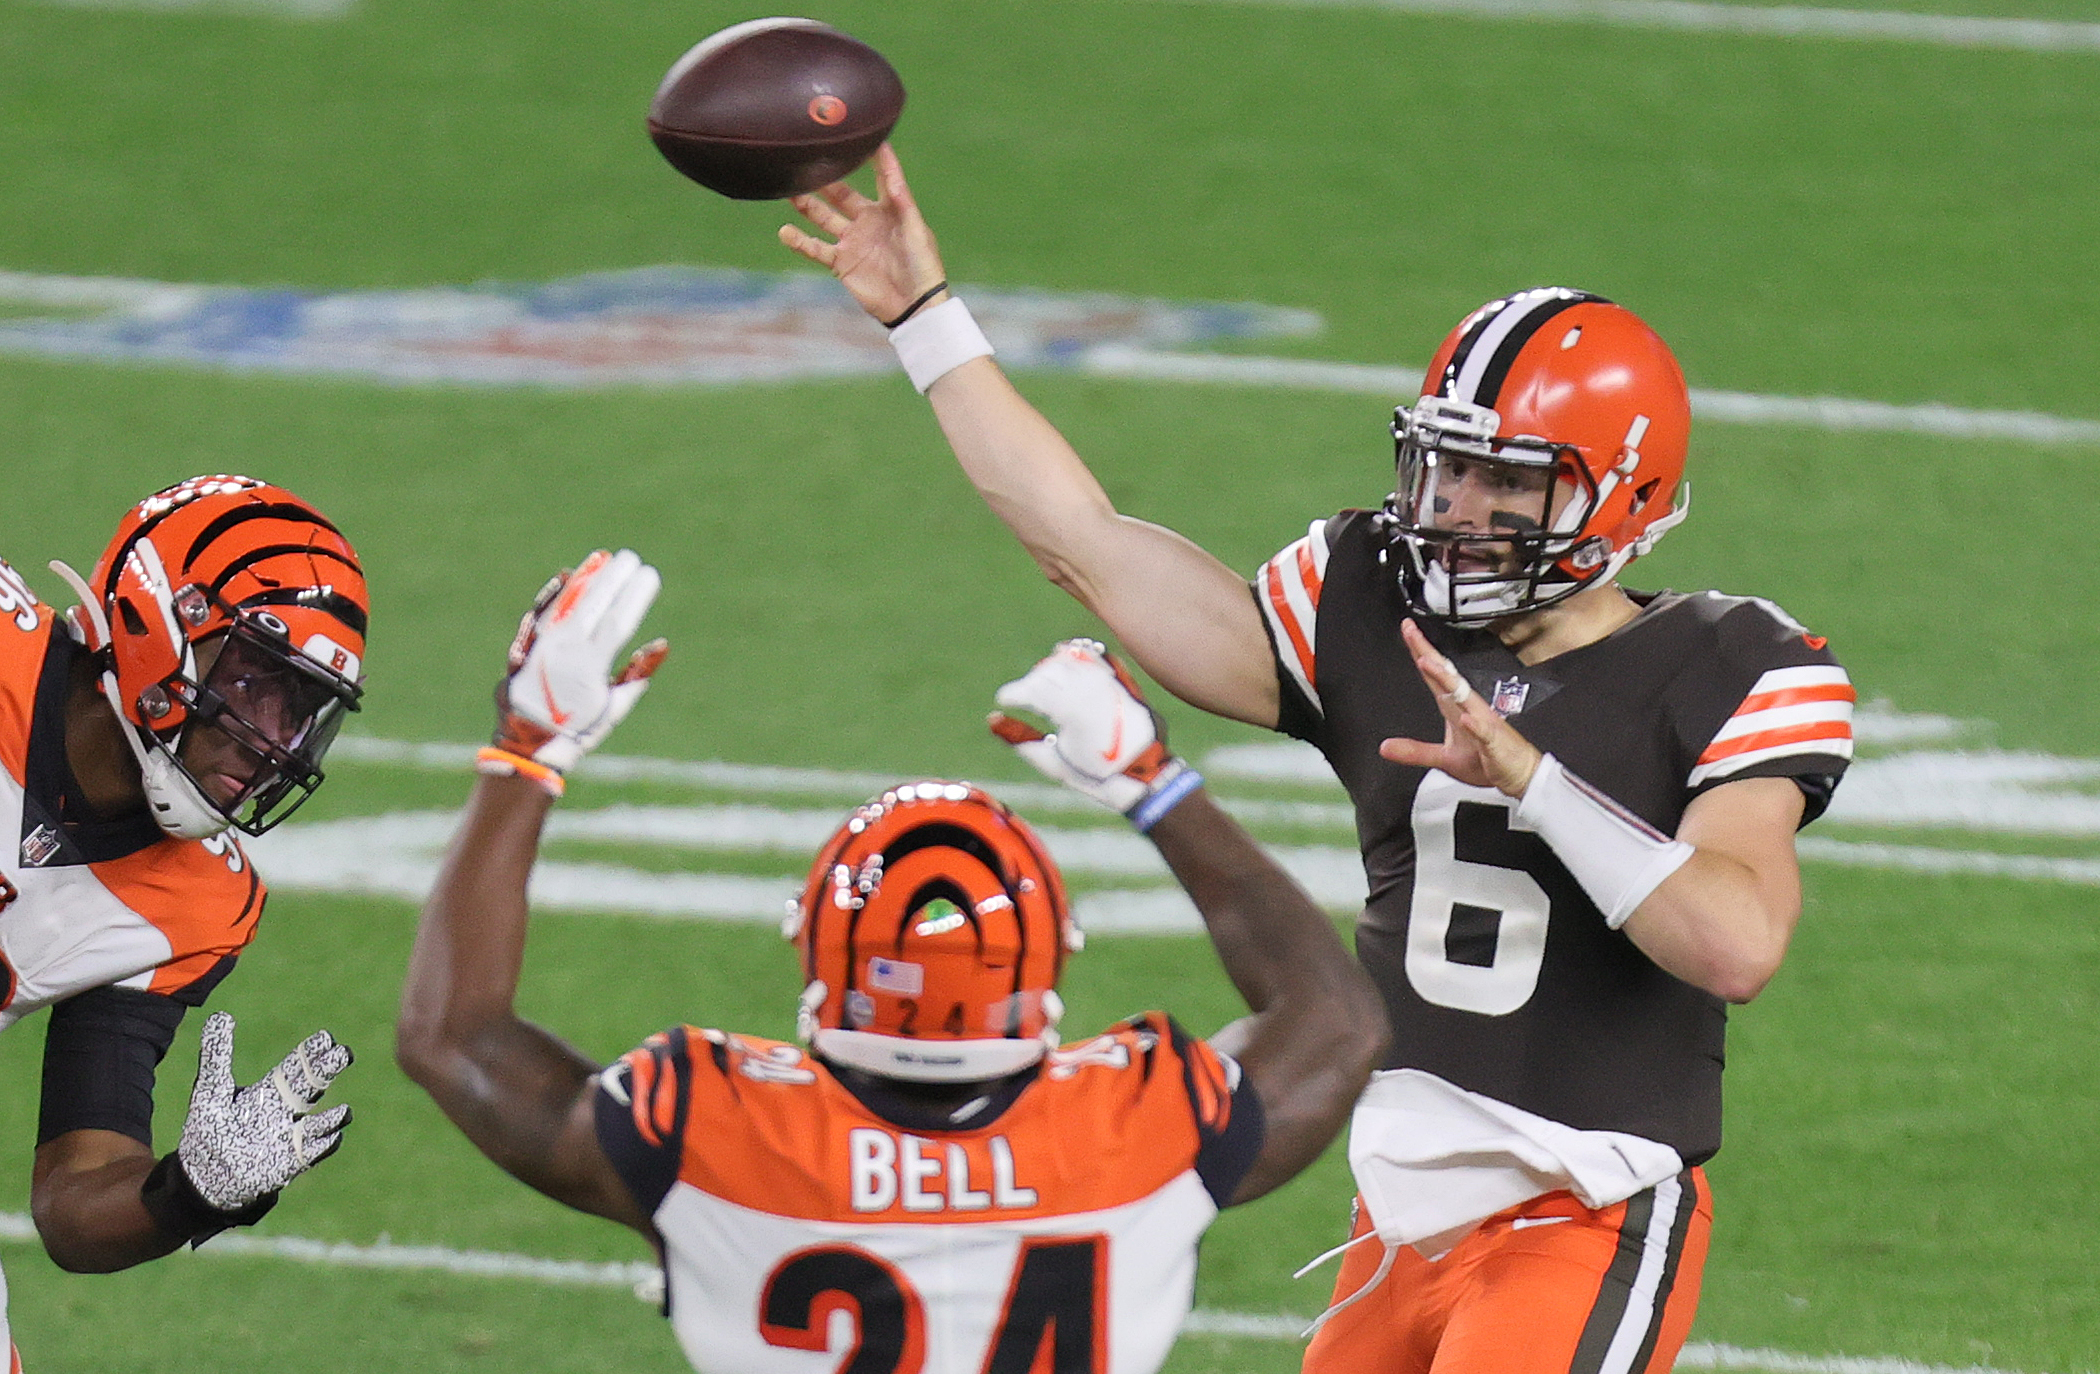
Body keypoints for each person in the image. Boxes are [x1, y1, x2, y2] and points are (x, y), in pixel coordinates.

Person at [779, 150, 1856, 1374]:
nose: (1454, 508)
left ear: (1621, 497)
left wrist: (1532, 779)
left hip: (1586, 1210)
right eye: (1446, 466)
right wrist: (925, 320)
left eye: (1506, 482)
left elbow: (1737, 944)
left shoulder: (1732, 663)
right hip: (1393, 1226)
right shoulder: (1372, 608)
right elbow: (1087, 544)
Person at [396, 550, 1387, 1374]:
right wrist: (1154, 784)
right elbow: (1337, 1019)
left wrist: (527, 750)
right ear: (1043, 962)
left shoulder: (709, 1126)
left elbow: (453, 1034)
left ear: (821, 950)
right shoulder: (1141, 1125)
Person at [2, 474, 363, 1363]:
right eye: (256, 682)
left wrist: (189, 1192)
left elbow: (76, 1200)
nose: (274, 737)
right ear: (158, 625)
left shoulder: (199, 901)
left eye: (301, 707)